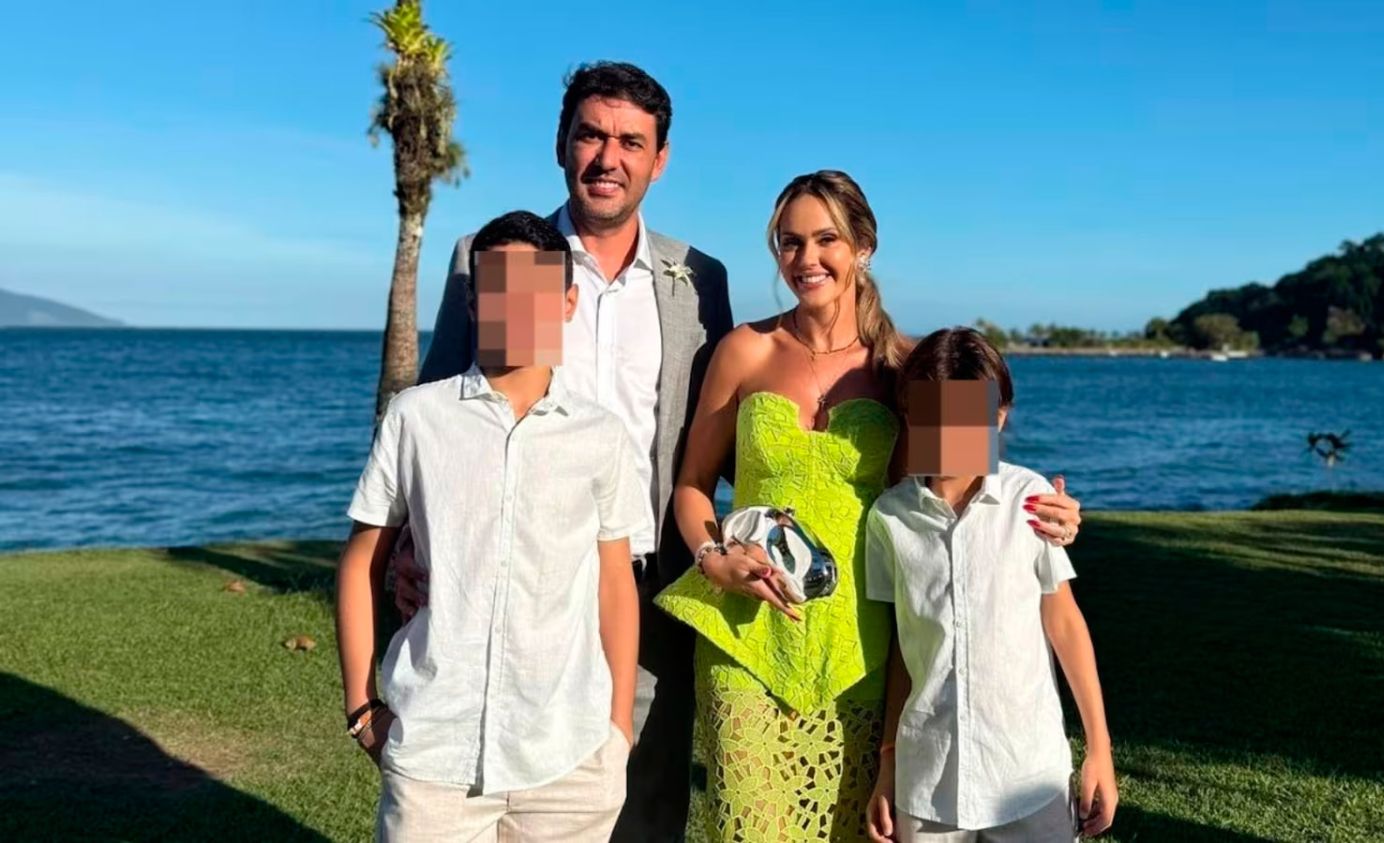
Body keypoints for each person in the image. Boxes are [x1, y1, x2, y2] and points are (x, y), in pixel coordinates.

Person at [655, 171, 1086, 841]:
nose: (806, 258)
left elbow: (958, 490)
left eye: (825, 239)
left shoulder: (903, 365)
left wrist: (1052, 513)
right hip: (744, 633)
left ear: (864, 246)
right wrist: (713, 557)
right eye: (789, 242)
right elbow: (692, 484)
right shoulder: (743, 350)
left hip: (863, 643)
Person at [404, 61, 732, 842]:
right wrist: (407, 546)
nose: (608, 158)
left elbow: (719, 434)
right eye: (591, 135)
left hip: (646, 581)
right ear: (561, 144)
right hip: (503, 584)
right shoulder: (484, 256)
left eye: (631, 142)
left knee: (643, 799)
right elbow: (438, 411)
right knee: (491, 787)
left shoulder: (699, 279)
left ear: (660, 159)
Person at [335, 211, 650, 841]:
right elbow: (363, 560)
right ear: (475, 303)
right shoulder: (417, 418)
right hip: (435, 753)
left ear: (567, 303)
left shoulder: (601, 435)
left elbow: (615, 582)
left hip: (571, 758)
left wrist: (617, 730)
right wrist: (361, 708)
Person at [863, 327, 1117, 842]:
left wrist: (1100, 749)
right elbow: (903, 650)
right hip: (928, 780)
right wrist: (888, 762)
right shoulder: (889, 518)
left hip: (1029, 774)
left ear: (998, 417)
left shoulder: (1032, 500)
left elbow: (1064, 623)